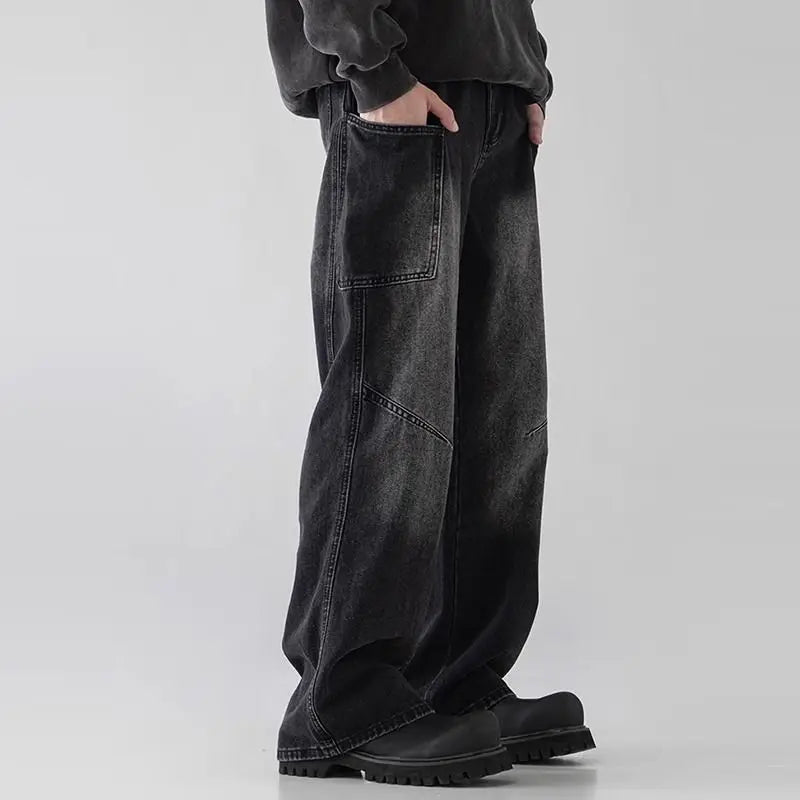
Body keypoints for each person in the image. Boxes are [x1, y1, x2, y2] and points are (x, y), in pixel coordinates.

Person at [264, 0, 594, 785]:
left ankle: (455, 675)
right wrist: (374, 67)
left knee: (500, 417)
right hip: (397, 81)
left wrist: (525, 67)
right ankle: (342, 697)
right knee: (389, 402)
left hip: (492, 88)